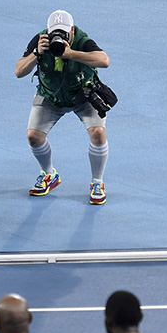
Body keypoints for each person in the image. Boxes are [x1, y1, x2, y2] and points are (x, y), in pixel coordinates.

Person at [14, 10, 111, 205]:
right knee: (34, 136)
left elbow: (104, 61)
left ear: (72, 30)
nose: (60, 37)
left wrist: (70, 53)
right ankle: (49, 174)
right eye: (55, 33)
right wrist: (35, 53)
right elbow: (19, 71)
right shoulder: (40, 40)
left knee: (98, 133)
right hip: (50, 96)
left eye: (64, 33)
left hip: (83, 96)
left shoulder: (82, 40)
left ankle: (97, 182)